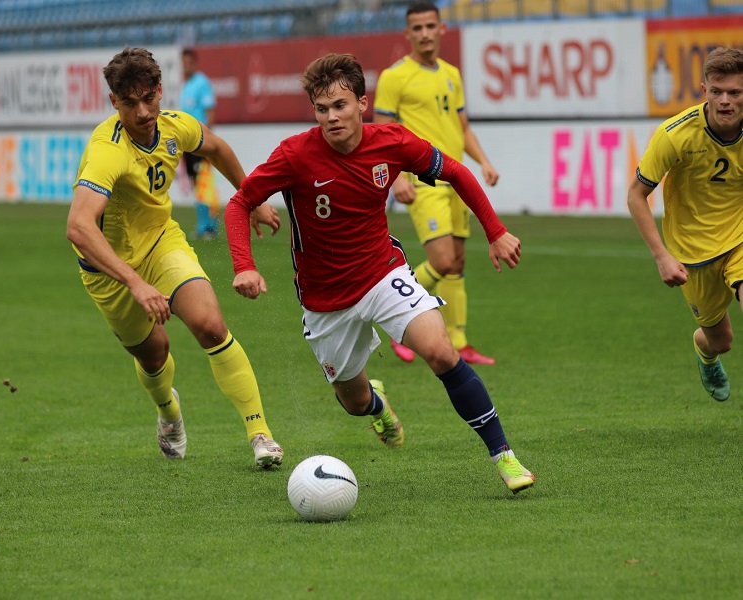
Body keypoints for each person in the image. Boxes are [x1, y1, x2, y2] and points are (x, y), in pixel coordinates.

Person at [225, 53, 535, 494]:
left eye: (340, 105)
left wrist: (497, 231)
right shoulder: (295, 154)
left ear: (361, 104)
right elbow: (239, 203)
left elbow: (457, 172)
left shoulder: (393, 142)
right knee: (353, 402)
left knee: (442, 352)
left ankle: (504, 456)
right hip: (325, 300)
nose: (331, 117)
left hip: (381, 274)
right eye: (321, 108)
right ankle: (377, 406)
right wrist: (244, 266)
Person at [66, 47, 284, 468]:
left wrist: (251, 198)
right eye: (130, 103)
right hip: (108, 270)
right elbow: (78, 227)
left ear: (161, 91)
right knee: (154, 354)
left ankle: (261, 434)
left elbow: (216, 148)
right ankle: (169, 413)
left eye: (149, 98)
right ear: (114, 102)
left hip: (162, 243)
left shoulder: (174, 127)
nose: (143, 111)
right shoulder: (107, 150)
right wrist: (134, 282)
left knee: (210, 324)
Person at [374, 2, 499, 365]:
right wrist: (395, 177)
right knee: (441, 260)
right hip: (423, 178)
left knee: (457, 262)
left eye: (431, 26)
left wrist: (484, 162)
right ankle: (395, 322)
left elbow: (462, 128)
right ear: (407, 34)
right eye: (418, 28)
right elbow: (380, 135)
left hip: (456, 177)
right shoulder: (394, 77)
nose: (425, 33)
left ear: (442, 28)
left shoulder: (451, 74)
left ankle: (459, 343)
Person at [627, 47, 743, 403]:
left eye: (735, 93)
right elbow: (636, 196)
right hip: (693, 253)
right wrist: (662, 256)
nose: (725, 101)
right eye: (717, 92)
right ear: (704, 89)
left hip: (739, 238)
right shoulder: (675, 134)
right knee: (721, 340)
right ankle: (705, 352)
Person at [180, 47, 220, 239]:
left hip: (200, 141)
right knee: (198, 182)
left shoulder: (202, 83)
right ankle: (203, 224)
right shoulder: (186, 85)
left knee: (204, 181)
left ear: (194, 63)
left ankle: (210, 226)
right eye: (183, 63)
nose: (185, 66)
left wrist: (208, 139)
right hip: (188, 143)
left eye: (188, 62)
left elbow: (209, 112)